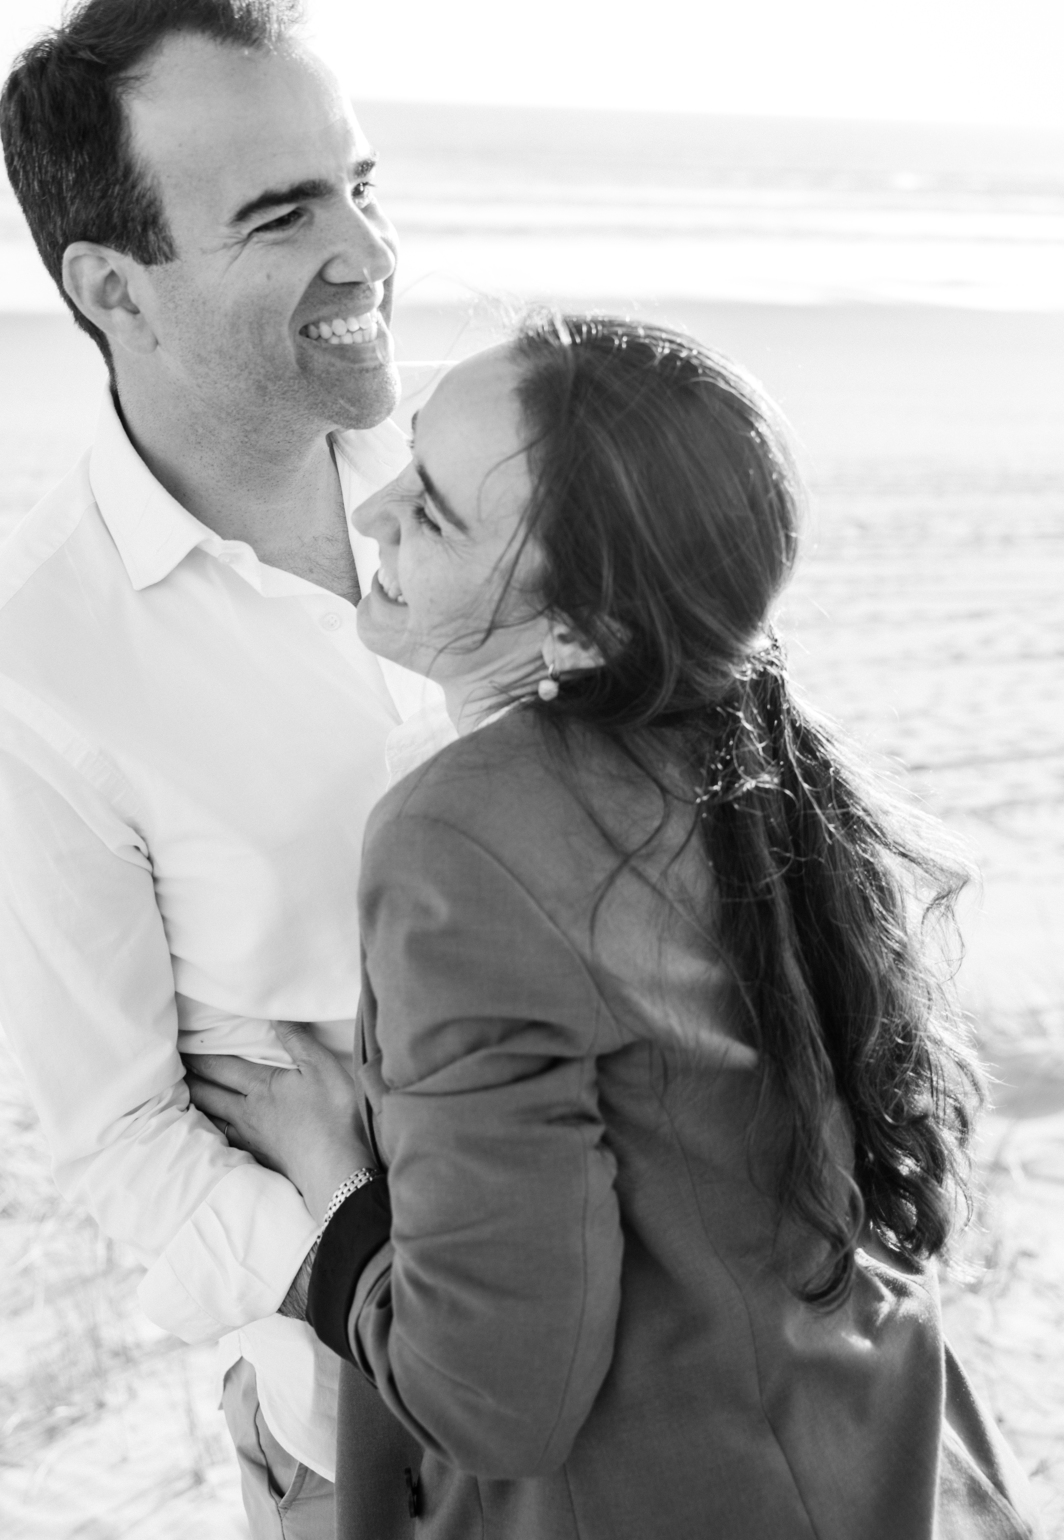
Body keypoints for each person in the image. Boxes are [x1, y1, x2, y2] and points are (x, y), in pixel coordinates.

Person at [188, 315, 1042, 1539]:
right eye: (411, 458)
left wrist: (334, 1183)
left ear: (581, 631)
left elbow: (491, 1402)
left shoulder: (467, 832)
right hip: (882, 1456)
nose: (373, 513)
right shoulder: (747, 745)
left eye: (437, 512)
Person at [0, 0, 449, 1539]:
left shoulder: (492, 470)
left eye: (360, 186)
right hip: (384, 1443)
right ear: (113, 288)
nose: (368, 251)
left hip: (700, 1344)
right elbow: (129, 1150)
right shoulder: (29, 680)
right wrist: (379, 1265)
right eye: (282, 216)